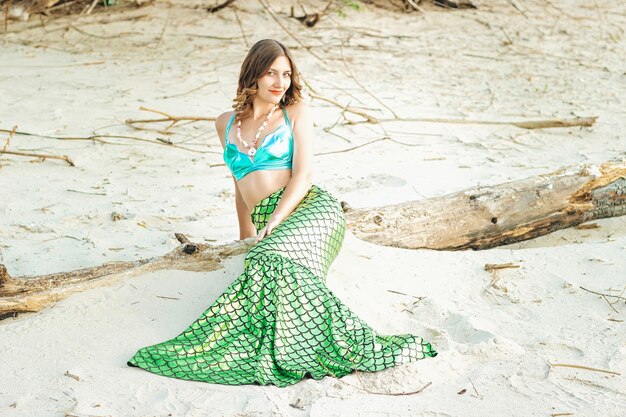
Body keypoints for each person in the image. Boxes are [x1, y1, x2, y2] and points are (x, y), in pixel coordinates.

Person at [127, 39, 437, 387]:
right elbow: (238, 187)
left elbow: (304, 176)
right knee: (260, 257)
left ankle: (335, 344)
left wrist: (275, 220)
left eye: (286, 74)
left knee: (269, 258)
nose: (280, 82)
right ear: (253, 75)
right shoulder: (225, 123)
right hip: (267, 218)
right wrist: (246, 236)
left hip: (310, 210)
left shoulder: (296, 112)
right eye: (271, 72)